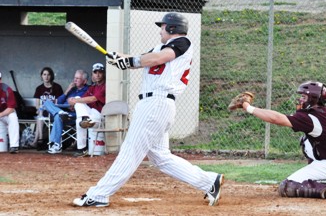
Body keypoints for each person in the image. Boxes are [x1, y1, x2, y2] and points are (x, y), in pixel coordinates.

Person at [72, 12, 223, 208]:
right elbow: (144, 58)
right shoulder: (163, 47)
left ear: (172, 28)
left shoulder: (182, 43)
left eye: (163, 27)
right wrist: (119, 58)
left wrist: (131, 61)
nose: (160, 30)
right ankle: (209, 181)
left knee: (130, 150)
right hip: (155, 105)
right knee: (161, 157)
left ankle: (99, 194)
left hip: (156, 104)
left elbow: (157, 58)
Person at [232, 81, 326, 200]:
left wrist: (247, 107)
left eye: (304, 97)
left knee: (287, 186)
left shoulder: (310, 117)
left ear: (313, 98)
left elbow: (276, 118)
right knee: (307, 139)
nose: (300, 100)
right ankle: (325, 179)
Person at [45, 69, 90, 154]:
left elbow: (86, 104)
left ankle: (56, 145)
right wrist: (67, 90)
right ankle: (60, 112)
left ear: (84, 81)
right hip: (63, 111)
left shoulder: (88, 90)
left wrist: (75, 104)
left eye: (78, 78)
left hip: (74, 115)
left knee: (57, 117)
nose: (75, 80)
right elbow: (58, 102)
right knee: (47, 102)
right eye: (74, 78)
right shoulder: (72, 90)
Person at [68, 63, 106, 157]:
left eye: (100, 72)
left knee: (77, 101)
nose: (97, 74)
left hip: (100, 116)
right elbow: (82, 100)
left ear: (104, 73)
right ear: (92, 74)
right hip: (90, 115)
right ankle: (82, 149)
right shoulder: (92, 87)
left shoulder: (105, 85)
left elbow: (93, 99)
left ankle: (82, 149)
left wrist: (75, 101)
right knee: (79, 120)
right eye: (95, 72)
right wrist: (74, 103)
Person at [31, 67, 64, 149]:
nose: (46, 77)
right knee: (40, 113)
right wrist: (39, 109)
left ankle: (38, 140)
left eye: (48, 74)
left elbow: (58, 103)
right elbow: (37, 104)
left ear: (51, 76)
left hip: (54, 112)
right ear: (41, 76)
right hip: (43, 112)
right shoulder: (39, 88)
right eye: (44, 74)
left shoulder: (57, 87)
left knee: (40, 115)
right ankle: (40, 139)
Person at [0, 71, 20, 154]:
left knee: (13, 117)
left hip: (6, 114)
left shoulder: (6, 89)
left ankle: (14, 146)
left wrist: (0, 114)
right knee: (2, 149)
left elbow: (11, 108)